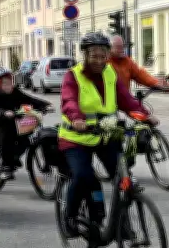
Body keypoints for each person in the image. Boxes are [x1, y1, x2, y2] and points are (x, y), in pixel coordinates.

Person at [58, 32, 157, 236]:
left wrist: (145, 117)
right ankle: (70, 217)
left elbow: (126, 100)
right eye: (94, 55)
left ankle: (122, 224)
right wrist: (77, 119)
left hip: (106, 135)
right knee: (83, 176)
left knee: (123, 179)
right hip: (77, 138)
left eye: (103, 55)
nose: (99, 60)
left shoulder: (110, 73)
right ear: (85, 55)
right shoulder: (73, 75)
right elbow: (69, 101)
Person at [0, 67, 51, 180]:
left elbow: (29, 99)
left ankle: (14, 157)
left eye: (10, 82)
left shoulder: (14, 91)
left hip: (12, 121)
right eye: (4, 83)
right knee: (8, 136)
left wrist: (45, 105)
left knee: (26, 135)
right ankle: (6, 167)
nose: (8, 86)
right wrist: (3, 112)